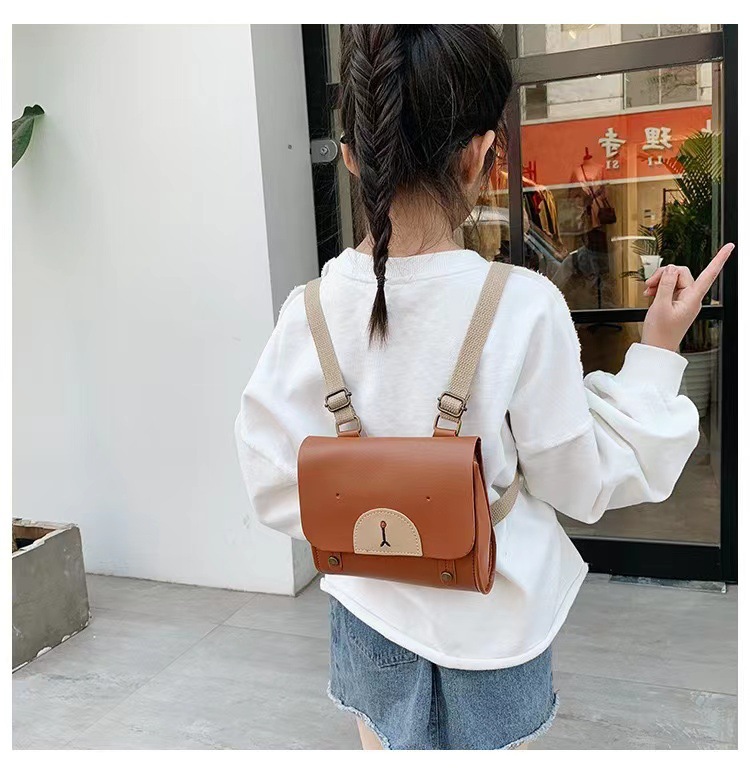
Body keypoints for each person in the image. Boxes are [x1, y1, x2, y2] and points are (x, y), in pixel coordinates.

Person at [234, 25, 733, 751]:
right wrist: (656, 352)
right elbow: (580, 480)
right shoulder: (521, 304)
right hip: (494, 611)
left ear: (352, 157)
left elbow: (273, 482)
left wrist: (374, 519)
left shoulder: (306, 311)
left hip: (366, 611)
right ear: (480, 155)